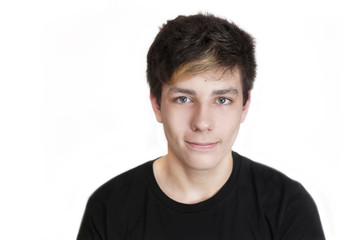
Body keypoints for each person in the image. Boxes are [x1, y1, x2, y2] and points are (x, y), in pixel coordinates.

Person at [77, 13, 325, 239]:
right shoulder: (109, 207)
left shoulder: (287, 207)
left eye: (222, 100)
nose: (202, 122)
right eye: (183, 99)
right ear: (157, 105)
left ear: (245, 105)